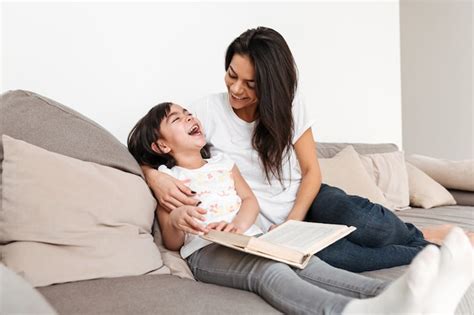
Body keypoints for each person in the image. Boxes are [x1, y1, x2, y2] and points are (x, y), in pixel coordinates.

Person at [127, 102, 473, 314]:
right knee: (269, 273)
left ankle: (402, 298)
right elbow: (172, 240)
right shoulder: (168, 179)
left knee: (309, 264)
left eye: (187, 112)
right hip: (206, 250)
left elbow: (249, 201)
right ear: (160, 144)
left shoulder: (221, 163)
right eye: (176, 118)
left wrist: (241, 223)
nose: (189, 116)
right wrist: (175, 216)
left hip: (252, 237)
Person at [141, 26, 438, 272]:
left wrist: (294, 220)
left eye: (250, 83)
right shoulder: (206, 110)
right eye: (232, 74)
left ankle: (421, 234)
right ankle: (428, 250)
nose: (236, 89)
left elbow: (311, 171)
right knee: (335, 259)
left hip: (307, 201)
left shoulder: (291, 106)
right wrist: (155, 177)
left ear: (271, 86)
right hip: (260, 226)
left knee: (367, 223)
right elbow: (152, 148)